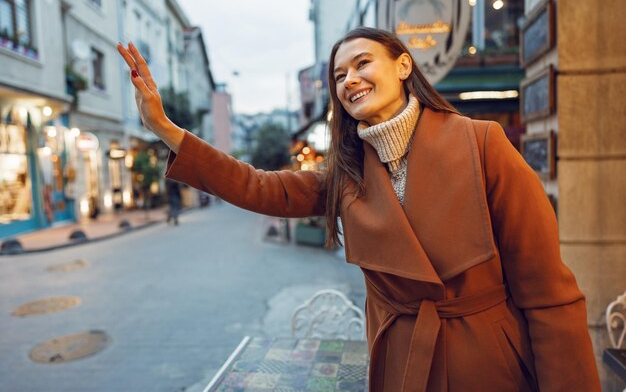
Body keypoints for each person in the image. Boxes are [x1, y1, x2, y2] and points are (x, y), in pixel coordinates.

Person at [117, 27, 601, 392]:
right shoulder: (345, 175)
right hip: (400, 365)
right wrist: (165, 128)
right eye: (339, 75)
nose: (349, 79)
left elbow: (549, 295)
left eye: (362, 63)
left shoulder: (483, 144)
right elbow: (258, 186)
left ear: (404, 66)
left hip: (489, 364)